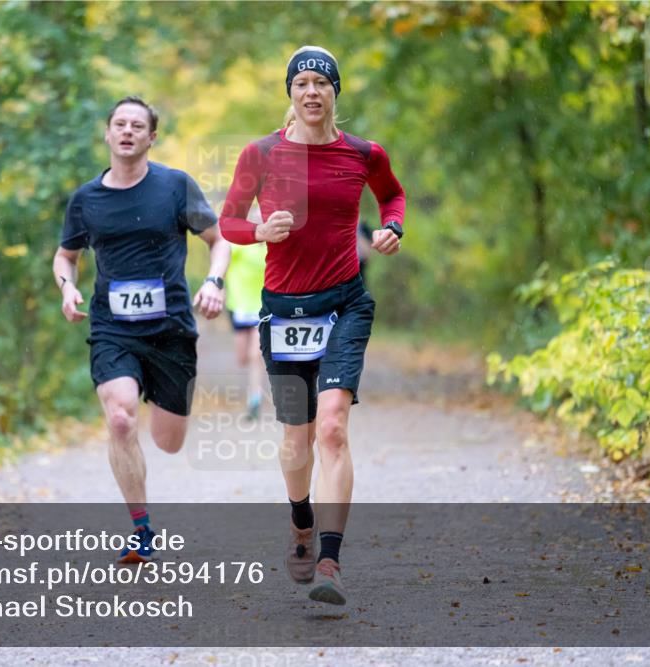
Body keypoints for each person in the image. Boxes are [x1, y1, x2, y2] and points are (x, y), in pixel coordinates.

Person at [219, 47, 406, 605]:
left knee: (331, 428)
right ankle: (301, 519)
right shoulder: (262, 154)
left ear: (334, 94)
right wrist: (259, 234)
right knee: (296, 439)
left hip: (345, 304)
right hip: (284, 309)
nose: (311, 91)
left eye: (321, 83)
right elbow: (228, 220)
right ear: (290, 93)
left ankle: (329, 561)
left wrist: (393, 226)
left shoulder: (363, 153)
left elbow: (392, 194)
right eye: (301, 82)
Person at [53, 96, 230, 564]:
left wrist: (214, 281)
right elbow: (65, 255)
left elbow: (219, 242)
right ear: (108, 134)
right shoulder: (86, 200)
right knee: (121, 416)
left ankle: (162, 400)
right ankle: (141, 530)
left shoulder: (175, 187)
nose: (127, 131)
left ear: (152, 137)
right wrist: (67, 288)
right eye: (119, 124)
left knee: (168, 442)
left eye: (137, 125)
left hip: (171, 329)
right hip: (113, 327)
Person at [226, 239, 267, 421]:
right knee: (242, 358)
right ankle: (254, 394)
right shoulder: (239, 246)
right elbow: (222, 261)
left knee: (255, 355)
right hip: (239, 307)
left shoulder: (271, 248)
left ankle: (255, 400)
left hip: (261, 307)